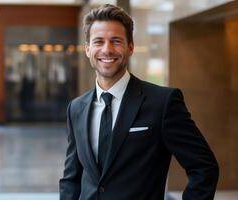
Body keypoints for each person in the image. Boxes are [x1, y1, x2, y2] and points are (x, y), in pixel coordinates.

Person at [59, 4, 219, 200]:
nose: (107, 49)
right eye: (98, 41)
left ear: (130, 47)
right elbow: (71, 179)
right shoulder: (76, 108)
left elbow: (204, 167)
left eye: (116, 41)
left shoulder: (163, 103)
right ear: (87, 49)